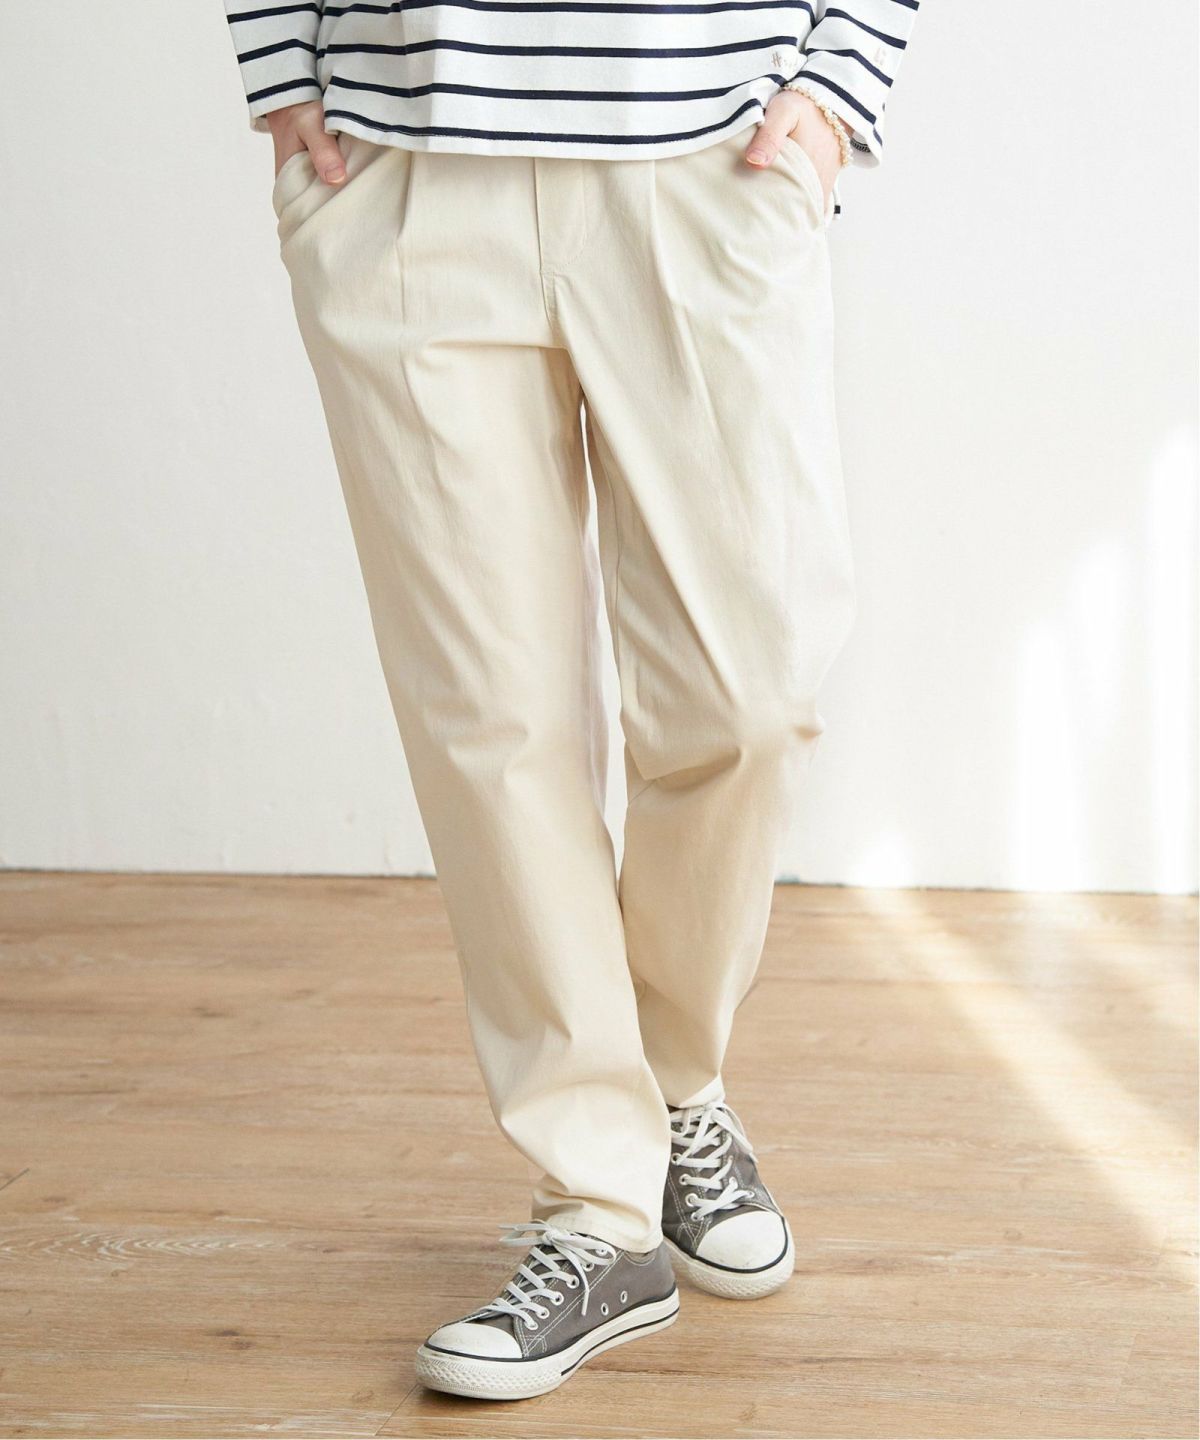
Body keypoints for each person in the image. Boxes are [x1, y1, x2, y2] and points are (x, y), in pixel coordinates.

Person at [221, 0, 918, 1402]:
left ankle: (674, 1084)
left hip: (710, 155)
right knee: (493, 721)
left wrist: (840, 85)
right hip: (406, 160)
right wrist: (283, 68)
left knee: (750, 691)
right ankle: (599, 1201)